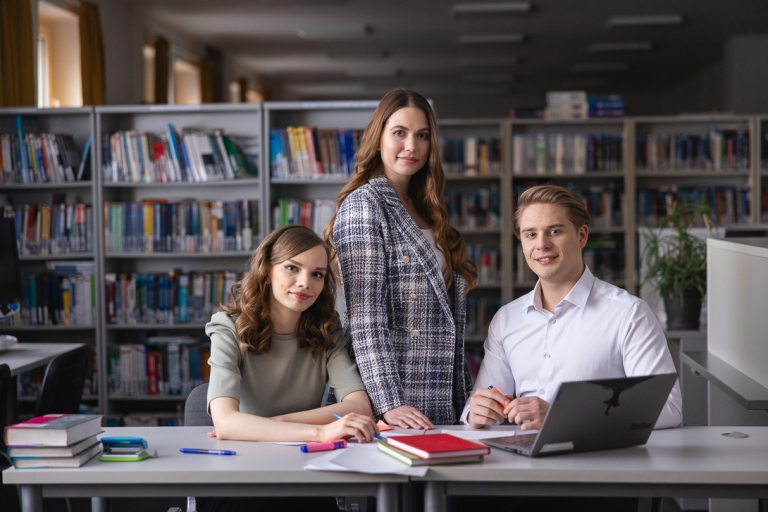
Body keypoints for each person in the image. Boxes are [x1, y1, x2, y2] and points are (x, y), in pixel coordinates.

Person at [460, 184, 682, 512]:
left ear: (581, 235)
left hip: (603, 478)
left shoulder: (628, 313)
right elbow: (485, 406)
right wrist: (476, 413)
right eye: (530, 234)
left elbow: (669, 409)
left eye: (554, 231)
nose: (542, 245)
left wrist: (562, 417)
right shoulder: (506, 320)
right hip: (523, 474)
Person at [326, 88, 478, 429]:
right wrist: (388, 402)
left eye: (422, 136)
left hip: (441, 391)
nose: (412, 146)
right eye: (400, 133)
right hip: (393, 398)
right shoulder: (363, 204)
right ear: (378, 137)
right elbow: (365, 317)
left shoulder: (428, 208)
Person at [202, 225, 378, 512]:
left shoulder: (327, 332)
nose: (305, 282)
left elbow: (359, 407)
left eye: (317, 274)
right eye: (292, 268)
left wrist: (278, 423)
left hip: (302, 475)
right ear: (267, 271)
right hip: (238, 476)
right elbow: (225, 423)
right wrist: (321, 432)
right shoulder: (227, 327)